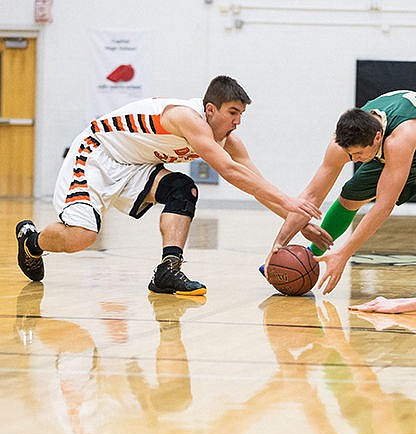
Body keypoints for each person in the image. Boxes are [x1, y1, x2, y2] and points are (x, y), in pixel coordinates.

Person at [15, 75, 329, 295]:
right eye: (232, 113)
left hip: (136, 166)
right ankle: (32, 241)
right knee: (81, 237)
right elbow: (230, 173)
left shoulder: (230, 140)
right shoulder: (187, 118)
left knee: (184, 189)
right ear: (210, 109)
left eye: (241, 114)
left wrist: (295, 223)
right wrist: (291, 202)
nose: (237, 122)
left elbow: (255, 183)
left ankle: (167, 271)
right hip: (97, 154)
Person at [265, 90, 416, 294]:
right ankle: (311, 256)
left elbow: (384, 206)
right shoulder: (345, 143)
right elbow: (311, 196)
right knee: (350, 195)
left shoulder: (399, 138)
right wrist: (280, 244)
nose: (354, 160)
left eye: (360, 154)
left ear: (377, 138)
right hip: (408, 139)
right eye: (350, 154)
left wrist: (344, 254)